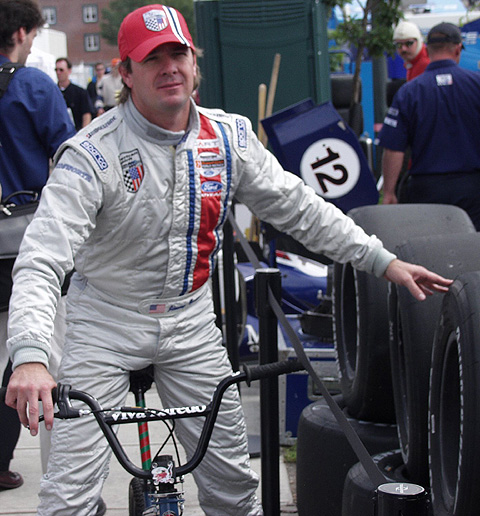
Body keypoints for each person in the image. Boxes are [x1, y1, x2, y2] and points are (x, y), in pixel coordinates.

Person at [5, 5, 452, 515]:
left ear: (195, 63)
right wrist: (32, 357)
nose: (170, 68)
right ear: (126, 74)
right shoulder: (91, 155)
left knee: (235, 491)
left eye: (178, 53)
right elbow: (42, 259)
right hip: (102, 321)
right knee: (68, 498)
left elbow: (302, 209)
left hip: (190, 323)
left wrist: (382, 260)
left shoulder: (230, 137)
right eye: (153, 59)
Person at [0, 0, 76, 492]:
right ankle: (63, 484)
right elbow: (70, 162)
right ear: (23, 32)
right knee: (44, 363)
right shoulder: (32, 85)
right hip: (24, 245)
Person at [378, 22, 480, 229]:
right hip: (473, 187)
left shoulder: (409, 92)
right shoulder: (476, 84)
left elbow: (393, 148)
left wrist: (388, 192)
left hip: (427, 188)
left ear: (428, 49)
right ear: (458, 48)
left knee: (431, 249)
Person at [55, 56, 93, 131]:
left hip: (76, 131)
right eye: (56, 70)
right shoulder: (53, 92)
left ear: (69, 71)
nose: (58, 73)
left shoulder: (80, 92)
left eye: (61, 70)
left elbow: (86, 114)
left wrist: (83, 133)